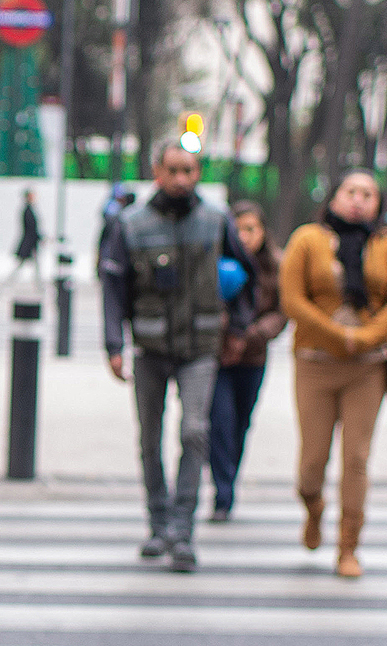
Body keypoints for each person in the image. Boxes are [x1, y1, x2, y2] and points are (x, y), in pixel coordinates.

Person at [101, 143, 255, 572]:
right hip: (149, 347)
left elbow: (246, 273)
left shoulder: (215, 219)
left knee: (194, 432)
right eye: (172, 170)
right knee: (150, 439)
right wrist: (114, 345)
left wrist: (239, 328)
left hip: (200, 347)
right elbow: (113, 289)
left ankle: (183, 530)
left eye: (188, 170)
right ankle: (158, 522)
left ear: (198, 171)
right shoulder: (130, 224)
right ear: (156, 171)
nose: (181, 179)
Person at [278, 168, 387, 579]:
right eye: (351, 191)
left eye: (368, 194)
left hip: (367, 367)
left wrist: (367, 337)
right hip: (315, 362)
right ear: (334, 197)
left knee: (356, 458)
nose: (359, 200)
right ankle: (313, 506)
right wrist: (338, 335)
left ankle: (348, 546)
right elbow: (293, 299)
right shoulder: (308, 239)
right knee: (311, 463)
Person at [208, 201, 286, 522]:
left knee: (241, 423)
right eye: (238, 229)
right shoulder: (216, 261)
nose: (244, 236)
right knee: (219, 422)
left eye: (251, 229)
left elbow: (283, 311)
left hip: (253, 356)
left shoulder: (274, 265)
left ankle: (228, 477)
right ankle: (222, 491)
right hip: (218, 356)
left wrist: (254, 332)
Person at [6, 188, 43, 290]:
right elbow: (31, 229)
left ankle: (39, 286)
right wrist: (40, 238)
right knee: (22, 266)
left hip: (31, 243)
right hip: (29, 244)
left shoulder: (29, 210)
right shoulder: (27, 211)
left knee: (34, 266)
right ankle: (8, 284)